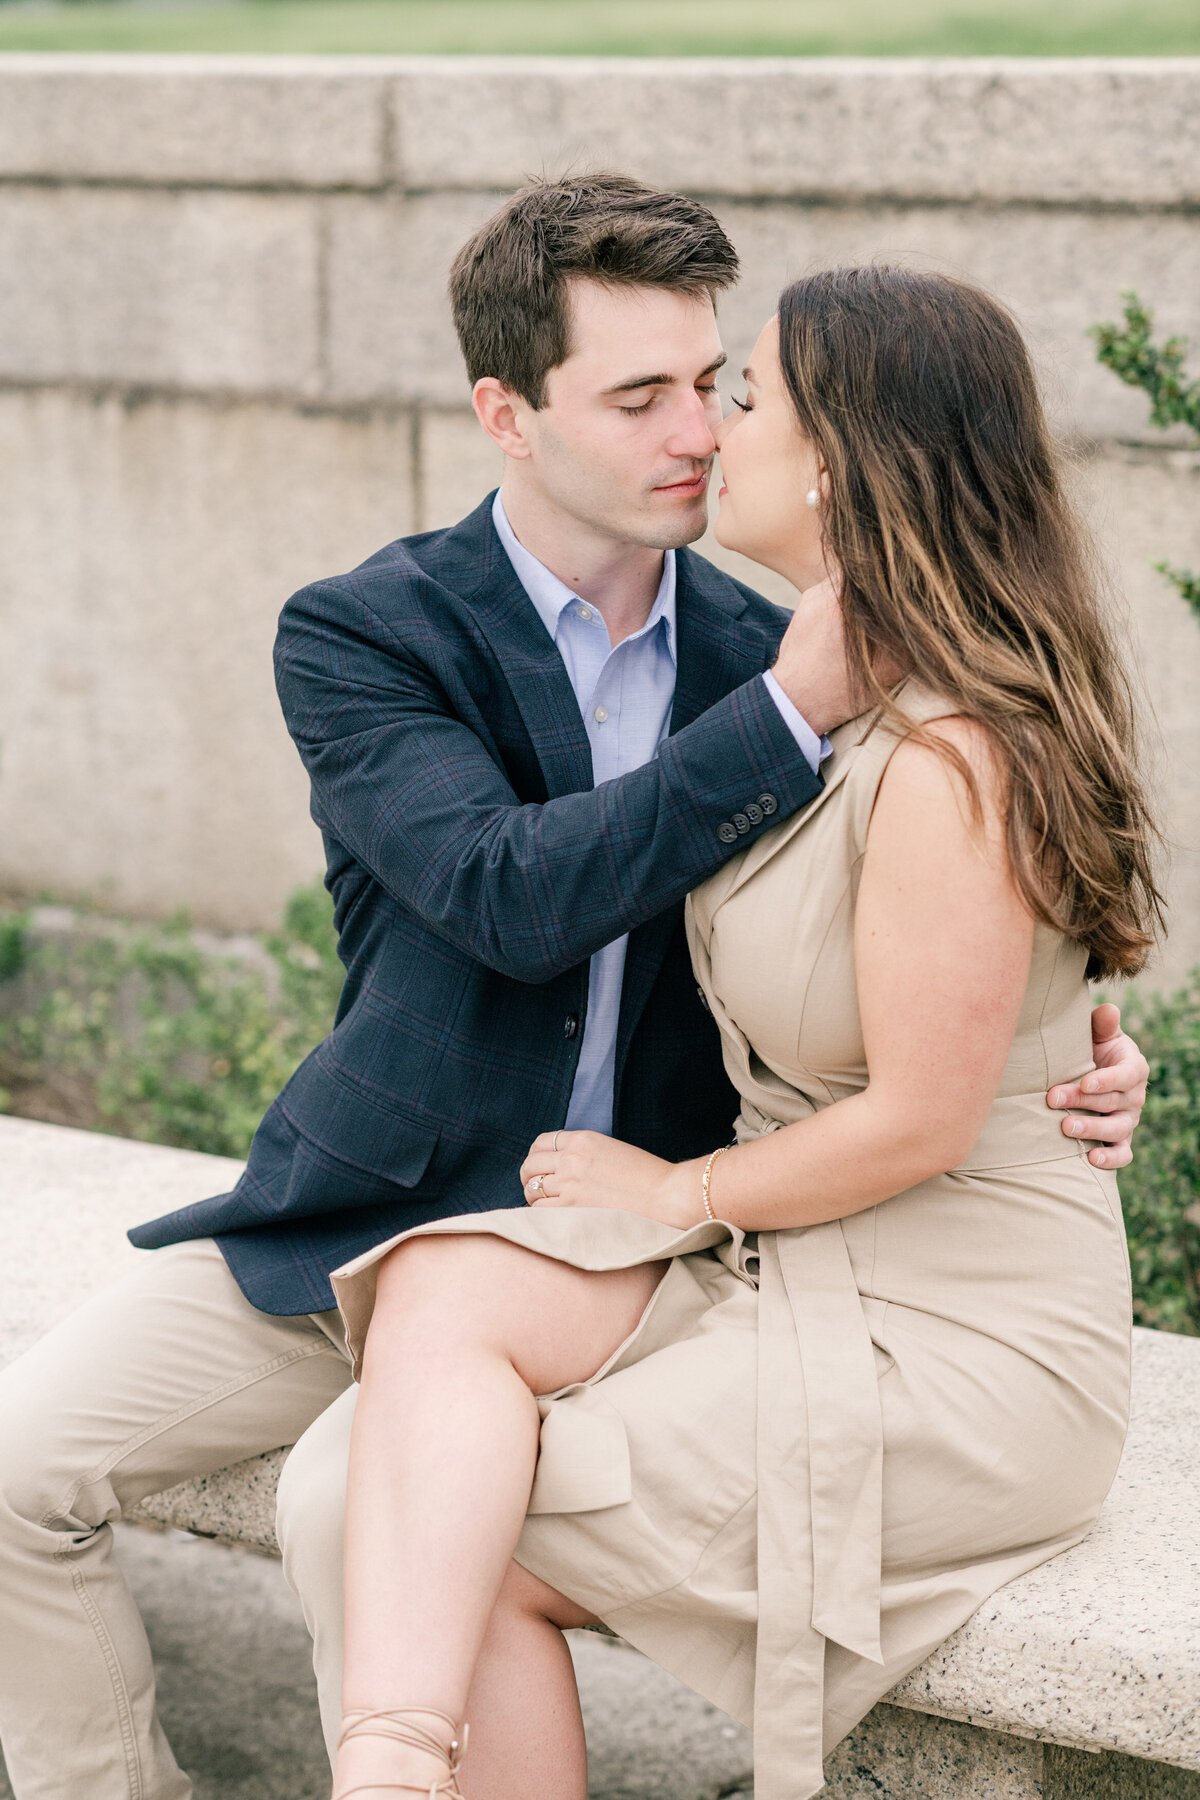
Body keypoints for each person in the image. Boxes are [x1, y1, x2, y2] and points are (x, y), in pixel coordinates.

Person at [0, 180, 1145, 1800]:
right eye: (639, 397)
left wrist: (1069, 1047)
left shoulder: (787, 642)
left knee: (370, 1511)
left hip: (645, 1254)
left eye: (713, 384)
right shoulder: (371, 635)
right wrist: (780, 724)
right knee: (8, 1471)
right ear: (507, 414)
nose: (695, 429)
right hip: (388, 1205)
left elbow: (946, 920)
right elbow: (507, 895)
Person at [325, 265, 1163, 1800]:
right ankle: (385, 1770)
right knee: (436, 1290)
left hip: (953, 1336)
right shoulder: (820, 682)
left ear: (837, 463)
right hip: (800, 1262)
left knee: (430, 1522)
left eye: (745, 395)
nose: (711, 428)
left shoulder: (949, 751)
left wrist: (670, 1193)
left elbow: (919, 1113)